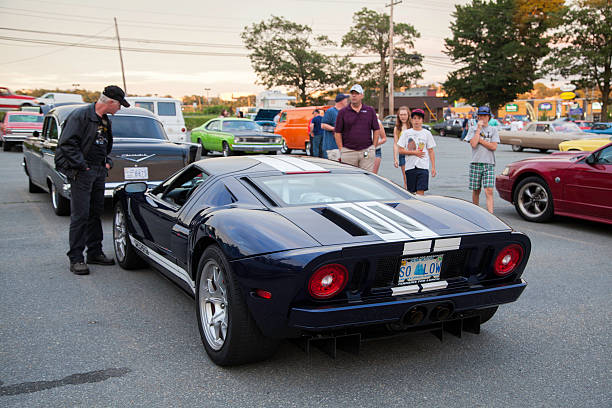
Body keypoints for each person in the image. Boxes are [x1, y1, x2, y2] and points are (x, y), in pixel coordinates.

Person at [55, 85, 130, 275]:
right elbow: (67, 144)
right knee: (80, 215)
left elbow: (104, 144)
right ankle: (76, 258)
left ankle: (94, 252)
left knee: (94, 212)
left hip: (98, 170)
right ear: (111, 102)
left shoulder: (105, 121)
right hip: (82, 172)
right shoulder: (80, 116)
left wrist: (106, 162)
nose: (119, 109)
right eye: (119, 105)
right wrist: (83, 166)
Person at [334, 84, 380, 171]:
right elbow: (337, 132)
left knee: (367, 178)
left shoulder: (370, 111)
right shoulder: (343, 112)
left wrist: (373, 147)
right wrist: (341, 149)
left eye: (357, 93)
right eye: (352, 93)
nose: (354, 96)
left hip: (366, 151)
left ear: (362, 95)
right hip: (348, 151)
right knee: (349, 179)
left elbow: (376, 129)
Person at [464, 106, 499, 214]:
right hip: (476, 162)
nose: (483, 118)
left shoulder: (493, 130)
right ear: (477, 117)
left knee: (489, 190)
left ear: (489, 117)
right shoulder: (473, 129)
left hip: (489, 163)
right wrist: (478, 130)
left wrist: (481, 140)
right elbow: (473, 144)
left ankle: (491, 214)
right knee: (476, 190)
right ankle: (476, 212)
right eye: (481, 116)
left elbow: (494, 146)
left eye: (485, 115)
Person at [397, 108, 436, 195]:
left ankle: (420, 208)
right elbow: (400, 150)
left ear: (422, 120)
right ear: (411, 120)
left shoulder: (426, 133)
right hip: (410, 167)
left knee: (420, 191)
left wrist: (433, 167)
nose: (416, 121)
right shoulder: (406, 133)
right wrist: (414, 153)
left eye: (419, 118)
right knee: (411, 192)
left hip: (423, 166)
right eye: (414, 118)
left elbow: (431, 150)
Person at [321, 93, 348, 161]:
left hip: (344, 147)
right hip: (332, 147)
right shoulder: (331, 111)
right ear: (341, 101)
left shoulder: (345, 112)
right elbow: (323, 125)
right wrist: (335, 129)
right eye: (346, 99)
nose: (347, 101)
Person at [393, 106, 411, 188]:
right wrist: (395, 158)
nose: (403, 117)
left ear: (408, 115)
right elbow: (396, 144)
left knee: (414, 176)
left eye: (405, 114)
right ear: (398, 116)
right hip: (403, 154)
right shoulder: (397, 128)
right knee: (406, 178)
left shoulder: (412, 126)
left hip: (413, 154)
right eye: (401, 115)